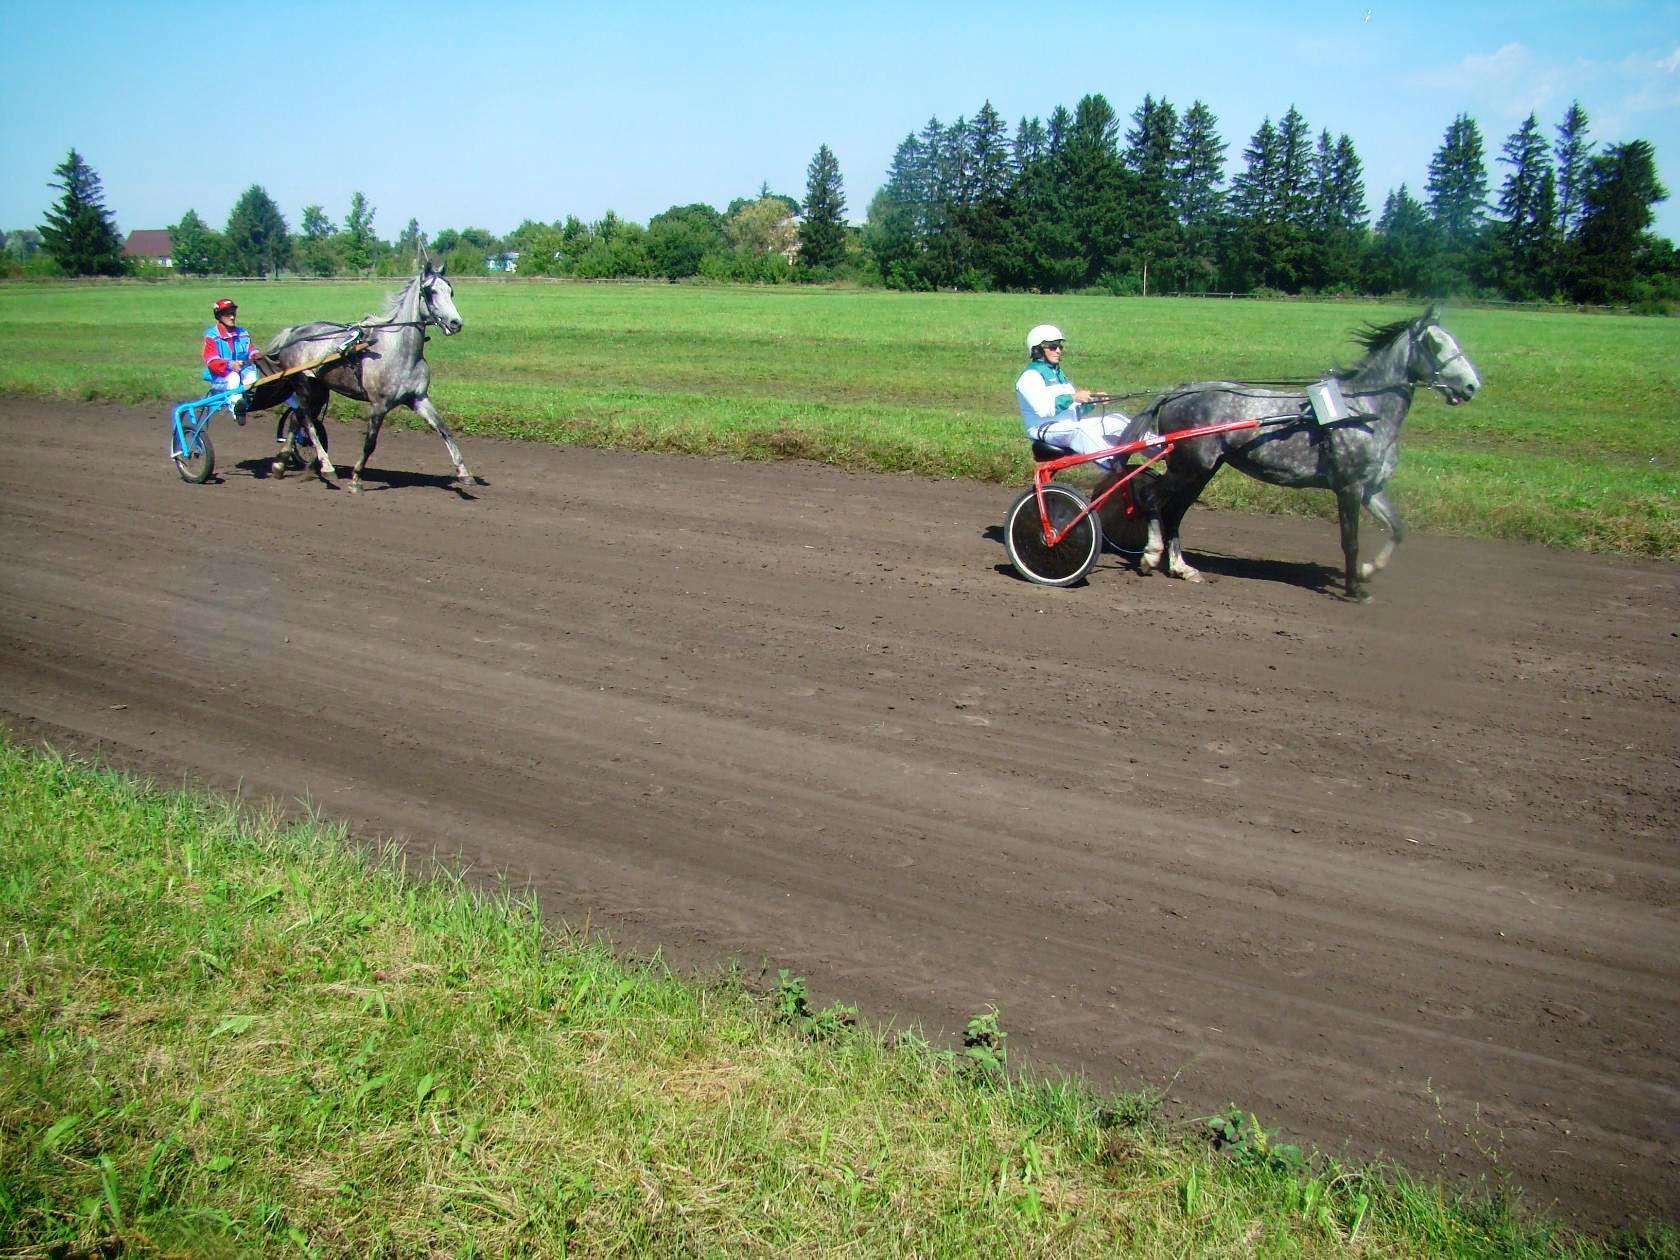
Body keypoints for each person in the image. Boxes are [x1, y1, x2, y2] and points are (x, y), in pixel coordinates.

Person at [1014, 323, 1149, 467]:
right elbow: (1044, 409)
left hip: (1068, 426)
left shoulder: (1058, 375)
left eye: (1060, 346)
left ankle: (1166, 450)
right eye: (1053, 346)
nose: (1058, 350)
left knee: (1116, 420)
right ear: (1037, 349)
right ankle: (1113, 465)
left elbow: (1075, 410)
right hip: (1046, 429)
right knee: (1081, 430)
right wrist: (1073, 397)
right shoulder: (1029, 377)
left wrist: (1094, 401)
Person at [202, 298, 262, 416]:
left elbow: (251, 350)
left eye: (233, 313)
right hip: (220, 377)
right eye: (227, 314)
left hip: (242, 373)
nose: (232, 317)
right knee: (233, 378)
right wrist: (230, 364)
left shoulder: (242, 333)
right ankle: (237, 411)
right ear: (219, 315)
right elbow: (212, 362)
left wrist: (257, 356)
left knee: (253, 377)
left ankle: (245, 403)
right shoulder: (211, 336)